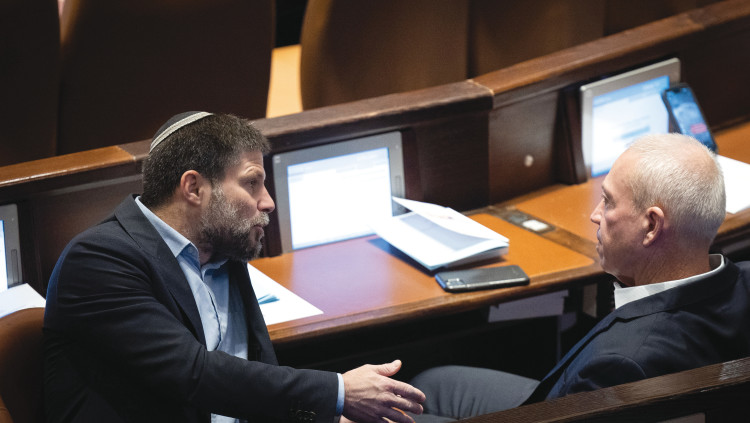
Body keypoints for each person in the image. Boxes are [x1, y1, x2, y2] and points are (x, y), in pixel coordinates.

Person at [43, 112, 426, 423]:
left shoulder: (221, 248)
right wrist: (338, 393)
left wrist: (324, 415)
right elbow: (193, 374)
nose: (268, 202)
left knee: (439, 388)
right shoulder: (99, 259)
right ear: (194, 188)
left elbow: (249, 375)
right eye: (252, 183)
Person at [410, 133, 750, 421]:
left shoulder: (620, 365)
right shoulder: (744, 281)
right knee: (429, 386)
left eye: (608, 201)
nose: (594, 215)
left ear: (651, 225)